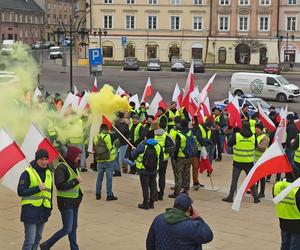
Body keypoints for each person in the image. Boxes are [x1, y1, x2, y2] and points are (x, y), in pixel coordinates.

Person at [40, 146, 83, 250]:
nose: (79, 157)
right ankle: (46, 245)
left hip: (75, 201)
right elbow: (59, 185)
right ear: (72, 156)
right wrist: (75, 181)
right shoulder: (61, 167)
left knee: (73, 227)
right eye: (78, 155)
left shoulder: (74, 165)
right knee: (67, 228)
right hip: (66, 202)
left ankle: (74, 247)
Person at [146, 194, 213, 250]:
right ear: (189, 209)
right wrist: (198, 218)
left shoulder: (158, 219)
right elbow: (208, 236)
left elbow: (150, 243)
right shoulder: (191, 226)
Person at [18, 149, 52, 250]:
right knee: (30, 241)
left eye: (46, 159)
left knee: (37, 239)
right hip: (30, 210)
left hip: (43, 209)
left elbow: (50, 192)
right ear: (37, 159)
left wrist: (50, 207)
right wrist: (37, 188)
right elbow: (21, 191)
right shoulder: (27, 172)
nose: (44, 161)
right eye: (42, 159)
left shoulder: (48, 172)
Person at [222, 121, 260, 203]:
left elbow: (229, 144)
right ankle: (256, 198)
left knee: (234, 180)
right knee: (251, 181)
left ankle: (230, 197)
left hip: (238, 162)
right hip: (249, 163)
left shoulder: (237, 135)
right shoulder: (253, 136)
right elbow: (256, 146)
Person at [131, 132, 163, 209]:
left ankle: (145, 203)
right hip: (154, 169)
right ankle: (151, 203)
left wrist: (134, 150)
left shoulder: (142, 145)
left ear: (146, 137)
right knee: (153, 185)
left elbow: (133, 156)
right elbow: (161, 158)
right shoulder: (158, 145)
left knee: (145, 187)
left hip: (143, 170)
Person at [273, 172, 300, 250]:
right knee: (295, 246)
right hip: (297, 224)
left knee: (284, 244)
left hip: (283, 221)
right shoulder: (297, 189)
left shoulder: (277, 185)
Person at [169, 119, 193, 198]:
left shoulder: (179, 134)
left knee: (178, 174)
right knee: (187, 173)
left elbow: (177, 147)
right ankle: (186, 190)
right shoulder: (190, 132)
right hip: (189, 156)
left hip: (180, 156)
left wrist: (174, 157)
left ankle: (177, 192)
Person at [94, 124, 118, 201]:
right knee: (109, 178)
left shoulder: (96, 137)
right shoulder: (109, 136)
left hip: (99, 160)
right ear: (107, 129)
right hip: (109, 160)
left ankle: (98, 193)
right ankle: (109, 195)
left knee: (99, 178)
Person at [152, 121, 175, 200]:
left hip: (154, 158)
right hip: (164, 159)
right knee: (162, 176)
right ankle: (161, 194)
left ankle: (154, 194)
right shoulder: (166, 135)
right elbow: (173, 144)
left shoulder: (151, 134)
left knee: (153, 176)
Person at [254, 122, 270, 198]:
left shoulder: (265, 137)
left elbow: (262, 148)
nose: (256, 129)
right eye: (255, 127)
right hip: (254, 159)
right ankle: (255, 190)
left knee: (261, 177)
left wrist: (255, 144)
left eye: (257, 128)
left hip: (261, 159)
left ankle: (262, 192)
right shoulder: (255, 135)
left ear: (261, 129)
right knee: (255, 176)